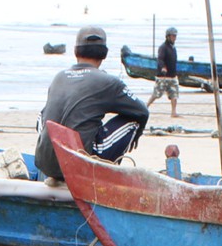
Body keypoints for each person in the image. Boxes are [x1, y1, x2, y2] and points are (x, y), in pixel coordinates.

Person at [33, 25, 150, 183]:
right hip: (80, 164)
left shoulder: (58, 77)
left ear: (76, 52)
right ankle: (105, 173)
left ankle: (55, 174)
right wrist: (137, 134)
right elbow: (142, 111)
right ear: (104, 54)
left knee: (45, 113)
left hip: (44, 163)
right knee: (135, 119)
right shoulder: (108, 81)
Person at [148, 27, 180, 121]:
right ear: (168, 36)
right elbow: (160, 59)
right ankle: (146, 106)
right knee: (156, 94)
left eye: (175, 36)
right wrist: (163, 67)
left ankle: (173, 112)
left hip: (172, 75)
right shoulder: (163, 47)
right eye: (173, 36)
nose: (174, 37)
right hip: (163, 76)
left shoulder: (173, 48)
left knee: (174, 94)